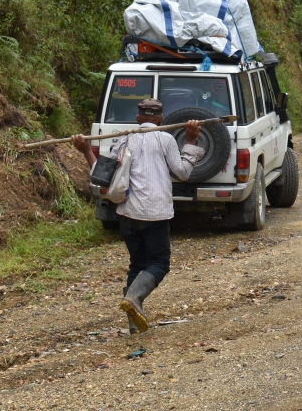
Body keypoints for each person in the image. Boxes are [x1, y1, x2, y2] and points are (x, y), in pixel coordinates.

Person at [72, 99, 204, 333]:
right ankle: (134, 298)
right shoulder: (165, 139)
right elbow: (183, 173)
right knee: (159, 264)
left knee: (138, 264)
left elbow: (101, 176)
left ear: (137, 119)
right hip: (155, 214)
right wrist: (191, 140)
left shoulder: (124, 139)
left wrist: (85, 150)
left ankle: (134, 322)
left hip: (128, 214)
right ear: (161, 120)